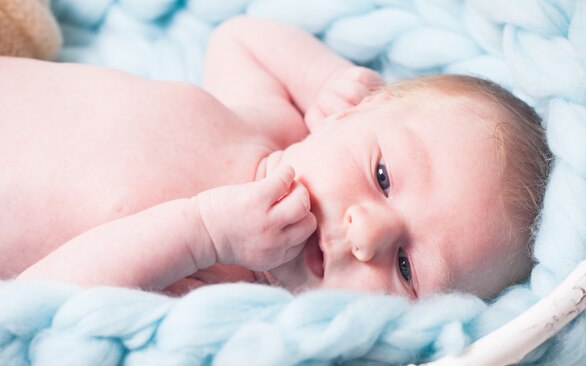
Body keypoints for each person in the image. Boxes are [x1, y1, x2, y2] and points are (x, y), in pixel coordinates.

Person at [1, 16, 549, 299]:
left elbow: (38, 309)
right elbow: (237, 39)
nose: (366, 235)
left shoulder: (221, 296)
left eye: (406, 269)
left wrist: (204, 236)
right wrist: (321, 79)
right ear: (350, 117)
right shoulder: (269, 126)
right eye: (382, 176)